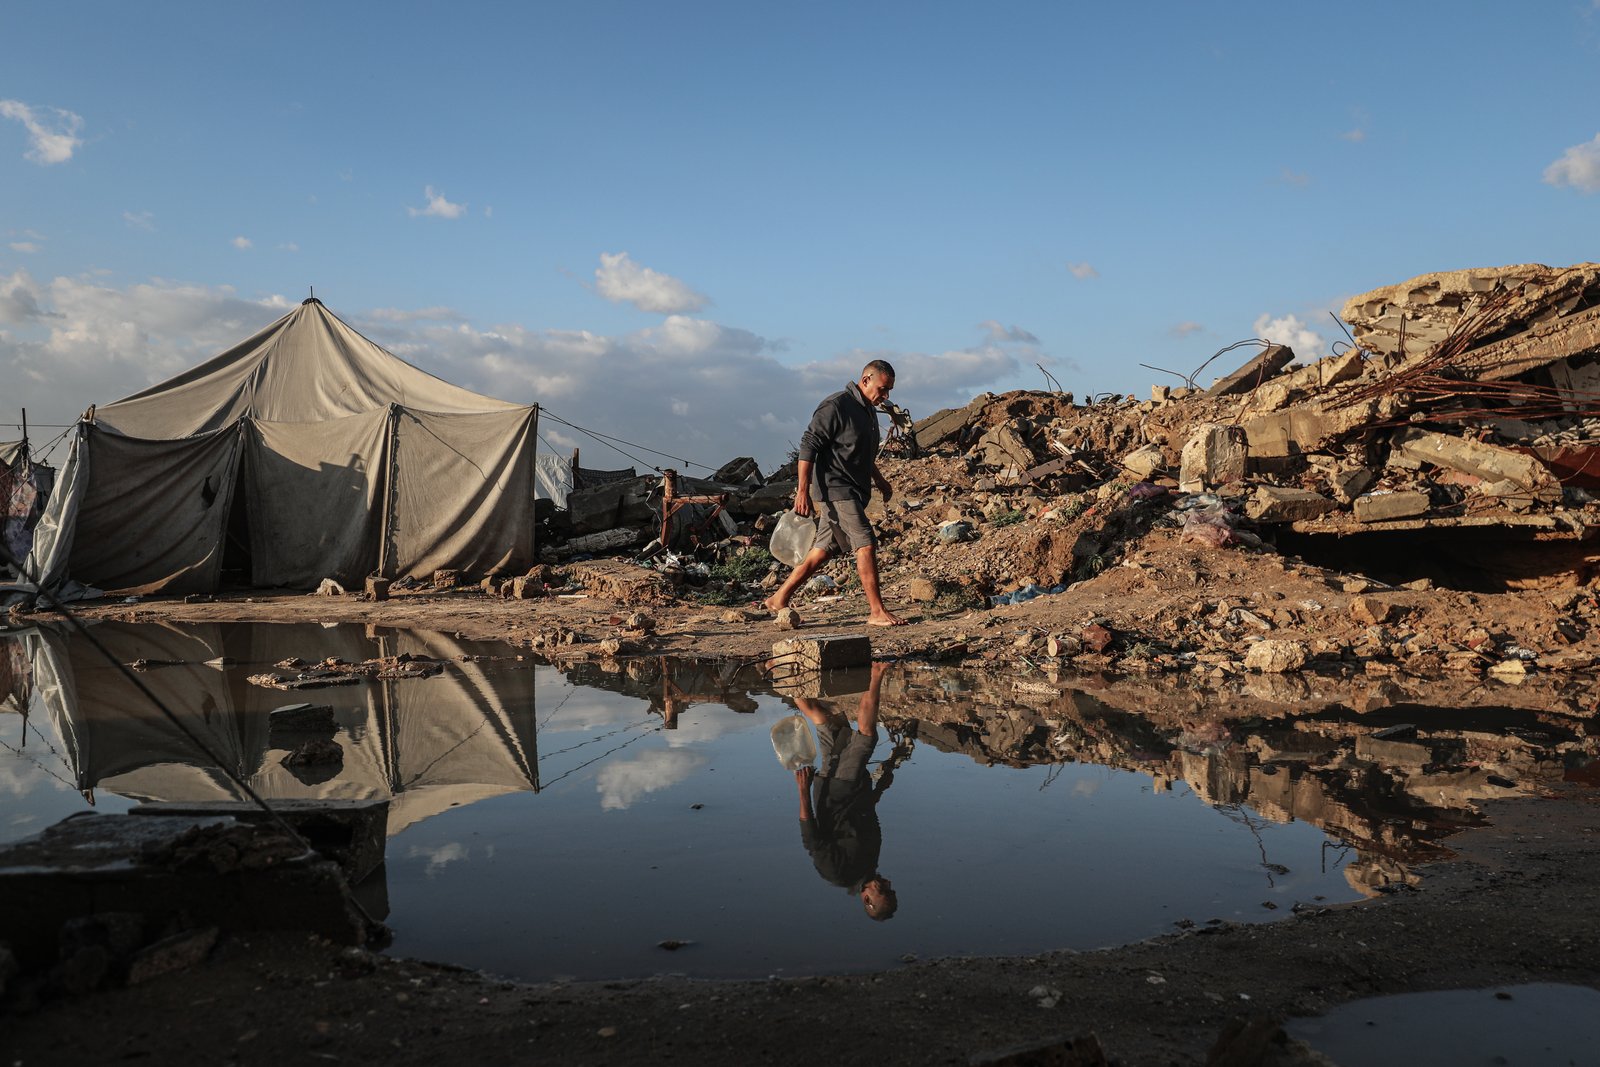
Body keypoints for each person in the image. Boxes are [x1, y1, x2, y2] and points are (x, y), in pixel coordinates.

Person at [765, 359, 906, 626]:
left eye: (889, 391)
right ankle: (876, 611)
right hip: (836, 488)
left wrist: (881, 481)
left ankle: (778, 598)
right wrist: (802, 491)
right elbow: (809, 445)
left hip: (852, 489)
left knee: (823, 550)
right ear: (865, 380)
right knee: (865, 542)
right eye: (883, 388)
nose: (885, 396)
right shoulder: (837, 405)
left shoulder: (867, 410)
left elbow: (860, 453)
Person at [792, 661, 905, 920]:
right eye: (891, 889)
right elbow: (865, 817)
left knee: (866, 737)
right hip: (844, 788)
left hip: (838, 789)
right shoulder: (868, 866)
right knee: (824, 720)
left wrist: (802, 790)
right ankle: (783, 672)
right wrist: (879, 789)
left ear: (867, 899)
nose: (888, 884)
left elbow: (811, 839)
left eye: (884, 892)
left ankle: (876, 673)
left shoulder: (838, 873)